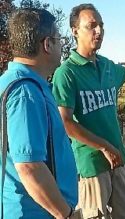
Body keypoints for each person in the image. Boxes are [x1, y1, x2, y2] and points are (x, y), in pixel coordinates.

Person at [51, 3, 125, 219]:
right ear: (75, 31)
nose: (99, 31)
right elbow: (65, 122)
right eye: (92, 26)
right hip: (92, 166)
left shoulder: (106, 66)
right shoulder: (66, 73)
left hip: (117, 159)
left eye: (101, 26)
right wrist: (104, 147)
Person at [0, 8, 78, 218]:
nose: (61, 45)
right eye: (59, 38)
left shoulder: (13, 82)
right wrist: (66, 214)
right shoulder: (26, 92)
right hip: (35, 212)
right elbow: (29, 166)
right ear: (47, 44)